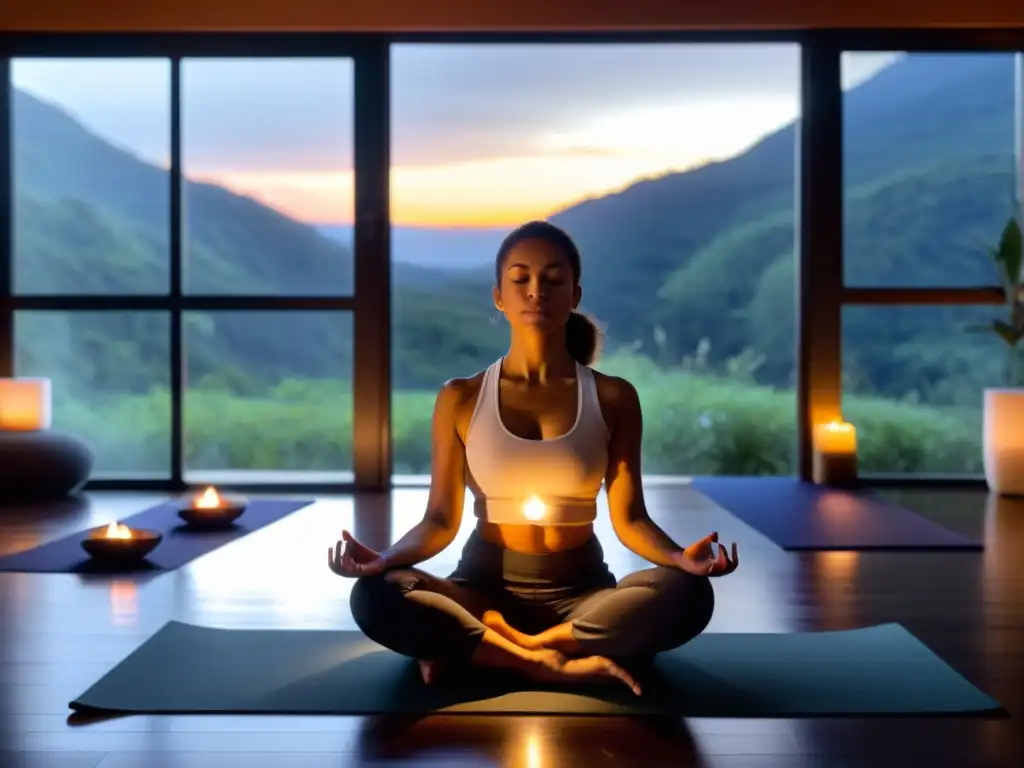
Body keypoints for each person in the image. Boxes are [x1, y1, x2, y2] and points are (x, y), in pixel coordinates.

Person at [329, 220, 739, 696]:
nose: (536, 291)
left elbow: (630, 518)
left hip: (581, 597)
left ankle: (503, 648)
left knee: (686, 595)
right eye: (520, 279)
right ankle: (548, 664)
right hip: (480, 590)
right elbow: (440, 519)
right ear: (499, 296)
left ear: (575, 293)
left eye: (553, 278)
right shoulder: (461, 398)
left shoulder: (614, 397)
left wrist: (676, 558)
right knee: (377, 595)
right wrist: (383, 559)